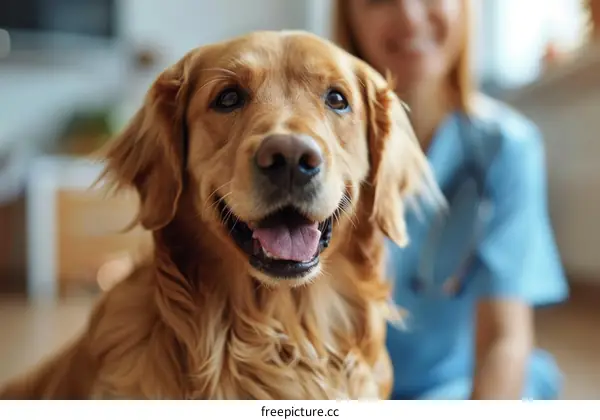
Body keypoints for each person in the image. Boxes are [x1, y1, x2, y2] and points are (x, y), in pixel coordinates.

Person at [333, 0, 569, 400]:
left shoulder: (507, 149)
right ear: (349, 19)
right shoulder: (314, 156)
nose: (409, 15)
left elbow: (504, 341)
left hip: (451, 390)